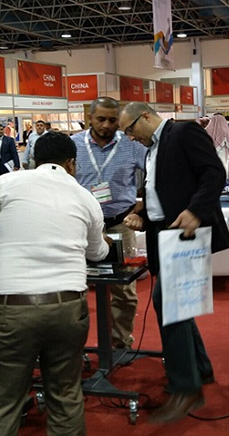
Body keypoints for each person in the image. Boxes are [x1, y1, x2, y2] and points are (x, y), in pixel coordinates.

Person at [0, 131, 109, 435]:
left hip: (13, 310)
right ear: (71, 164)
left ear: (34, 159)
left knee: (4, 402)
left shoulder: (4, 184)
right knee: (65, 396)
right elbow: (98, 253)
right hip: (68, 309)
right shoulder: (85, 197)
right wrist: (103, 242)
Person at [119, 102, 229, 424]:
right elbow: (160, 190)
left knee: (169, 304)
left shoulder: (184, 132)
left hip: (187, 233)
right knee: (176, 305)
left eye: (130, 130)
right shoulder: (152, 149)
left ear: (145, 116)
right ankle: (200, 369)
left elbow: (214, 173)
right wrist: (142, 216)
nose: (130, 137)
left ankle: (186, 387)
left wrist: (196, 210)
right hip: (164, 235)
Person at [71, 97, 147, 350]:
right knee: (74, 286)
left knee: (124, 289)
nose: (106, 125)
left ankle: (121, 341)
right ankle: (74, 346)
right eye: (100, 119)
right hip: (81, 226)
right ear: (89, 118)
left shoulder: (131, 144)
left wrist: (144, 206)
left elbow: (154, 171)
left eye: (112, 120)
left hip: (120, 223)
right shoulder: (74, 145)